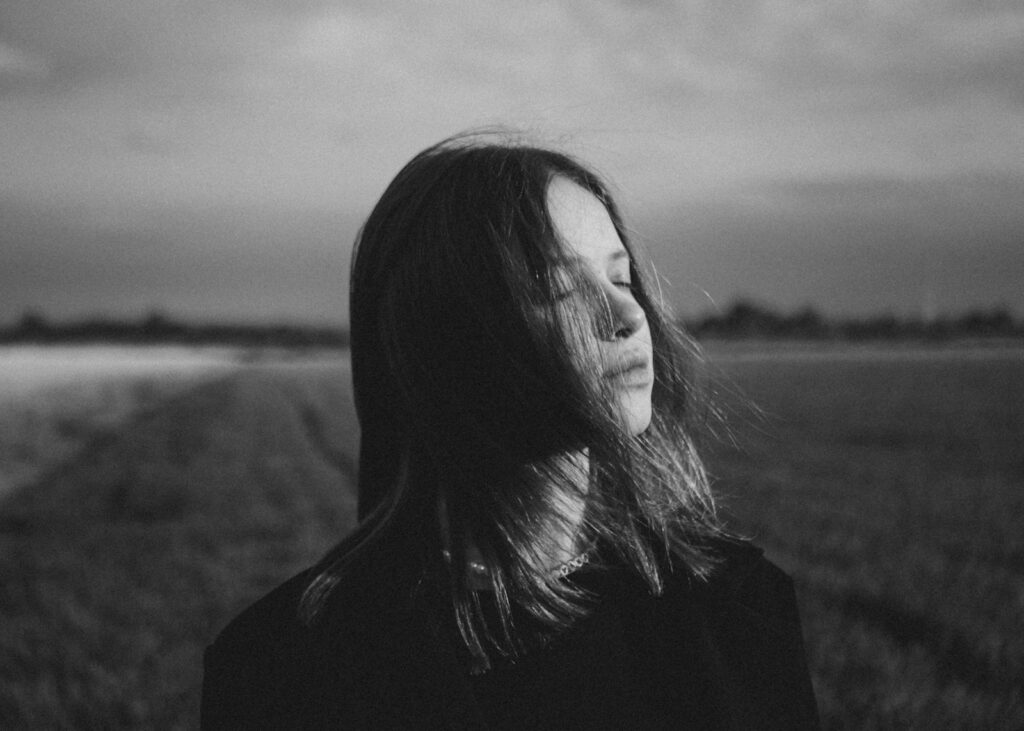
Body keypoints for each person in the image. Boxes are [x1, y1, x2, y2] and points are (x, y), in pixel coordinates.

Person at [200, 132, 820, 729]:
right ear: (443, 335)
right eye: (555, 287)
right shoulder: (288, 669)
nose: (629, 316)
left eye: (621, 276)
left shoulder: (734, 611)